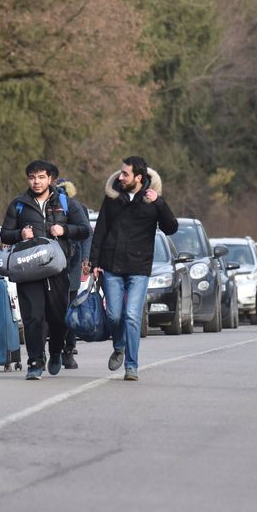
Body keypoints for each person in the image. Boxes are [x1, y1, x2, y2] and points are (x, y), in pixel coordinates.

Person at [0, 160, 90, 380]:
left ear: (51, 179)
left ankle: (56, 352)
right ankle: (35, 362)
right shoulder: (18, 205)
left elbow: (85, 230)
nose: (36, 181)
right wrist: (20, 234)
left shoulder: (66, 203)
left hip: (57, 269)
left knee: (58, 317)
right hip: (28, 269)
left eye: (41, 177)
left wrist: (65, 229)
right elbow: (4, 234)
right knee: (33, 318)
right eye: (32, 177)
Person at [90, 156, 179, 381]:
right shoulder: (112, 199)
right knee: (113, 315)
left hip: (139, 268)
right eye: (120, 173)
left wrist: (159, 202)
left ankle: (131, 366)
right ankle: (118, 346)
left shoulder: (152, 201)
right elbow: (100, 230)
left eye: (125, 174)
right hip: (111, 266)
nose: (121, 177)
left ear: (138, 178)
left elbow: (171, 227)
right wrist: (93, 262)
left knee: (131, 316)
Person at [55, 175, 91, 370]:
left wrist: (86, 258)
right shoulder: (47, 208)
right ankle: (66, 353)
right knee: (69, 309)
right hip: (61, 266)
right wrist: (86, 258)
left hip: (69, 265)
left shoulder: (77, 208)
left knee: (62, 310)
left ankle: (64, 351)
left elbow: (86, 235)